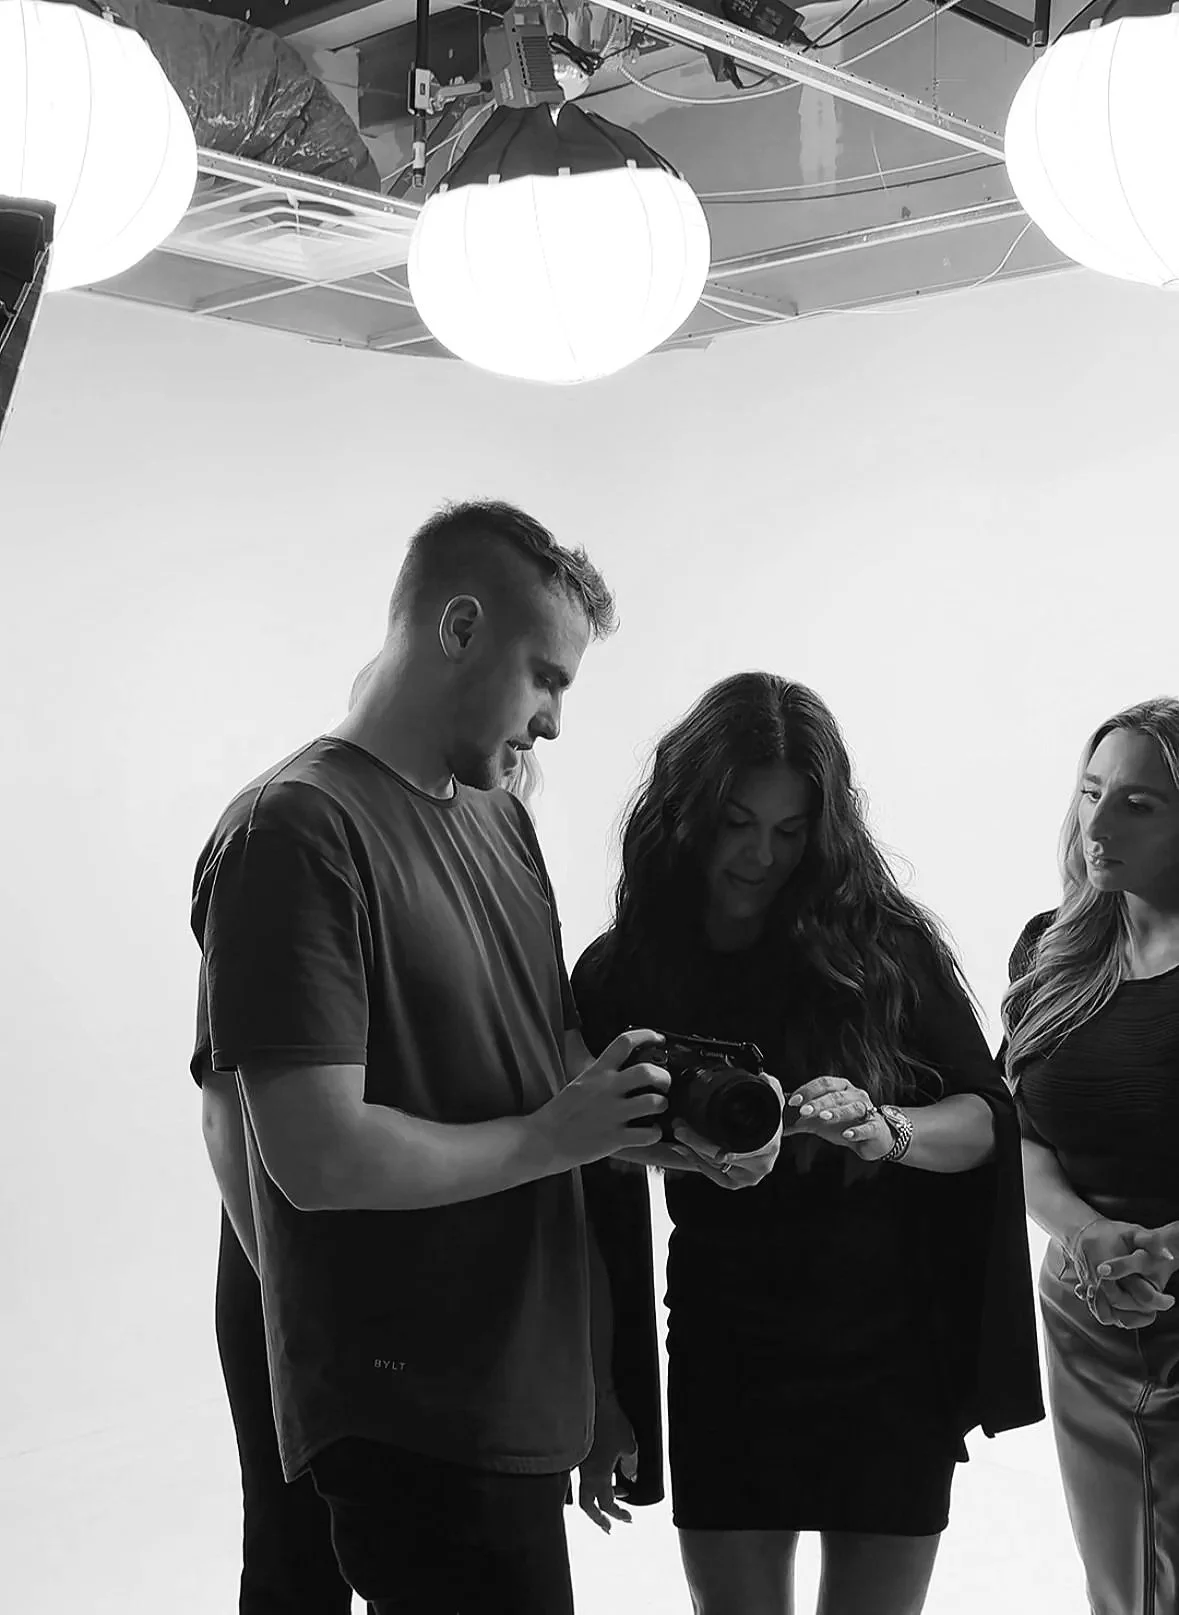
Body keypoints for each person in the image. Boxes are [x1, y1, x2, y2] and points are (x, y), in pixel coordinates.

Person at [190, 499, 781, 1615]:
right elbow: (315, 1156)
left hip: (509, 1375)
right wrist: (550, 1137)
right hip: (406, 1394)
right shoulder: (293, 831)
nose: (554, 721)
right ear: (457, 627)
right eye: (546, 677)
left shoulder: (497, 817)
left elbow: (539, 1054)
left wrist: (656, 1137)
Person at [570, 672, 1045, 1615]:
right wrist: (603, 1393)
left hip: (888, 1352)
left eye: (789, 833)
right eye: (737, 823)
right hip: (722, 1338)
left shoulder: (879, 945)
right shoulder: (621, 968)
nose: (759, 856)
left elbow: (986, 1121)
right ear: (685, 812)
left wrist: (887, 1128)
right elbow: (586, 1192)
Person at [999, 696, 1179, 1615]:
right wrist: (1086, 1238)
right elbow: (1022, 1135)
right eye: (1090, 790)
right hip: (1084, 1314)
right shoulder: (1053, 948)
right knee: (1121, 1591)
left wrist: (1159, 1250)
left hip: (1168, 1295)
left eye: (1137, 804)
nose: (1096, 824)